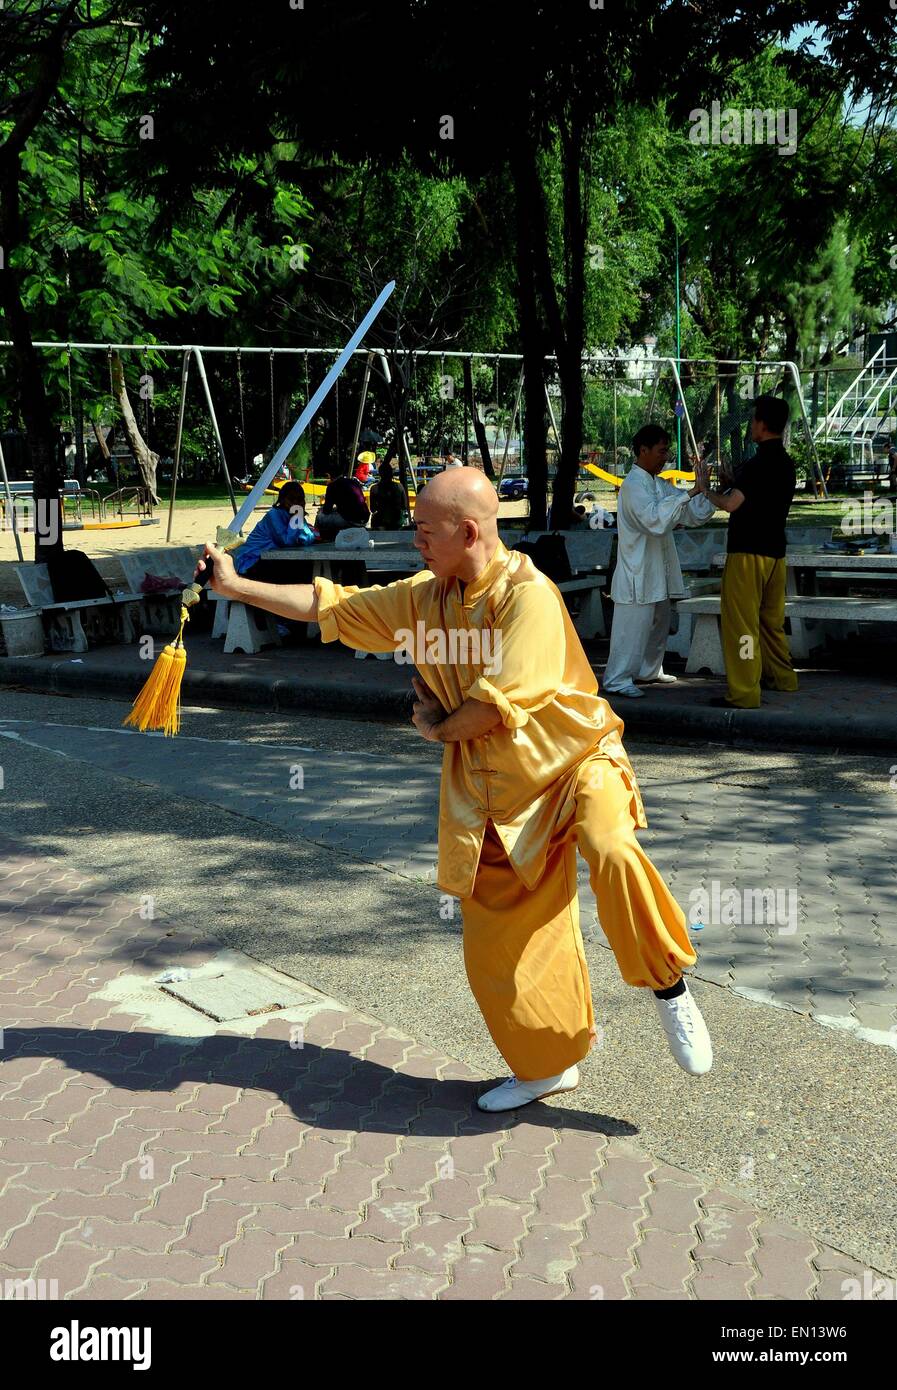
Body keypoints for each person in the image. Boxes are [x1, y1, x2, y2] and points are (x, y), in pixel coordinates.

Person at [200, 469, 713, 1113]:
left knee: (611, 849)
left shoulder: (529, 596)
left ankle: (668, 988)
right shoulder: (427, 596)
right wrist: (236, 585)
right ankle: (547, 1063)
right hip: (495, 788)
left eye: (423, 530)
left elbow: (493, 706)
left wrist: (437, 727)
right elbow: (332, 606)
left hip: (575, 763)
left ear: (468, 532)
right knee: (498, 942)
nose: (414, 540)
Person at [698, 395, 798, 709]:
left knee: (742, 625)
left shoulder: (756, 465)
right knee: (771, 622)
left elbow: (731, 504)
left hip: (746, 554)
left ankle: (743, 691)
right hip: (775, 555)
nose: (751, 425)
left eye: (754, 420)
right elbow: (758, 496)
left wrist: (705, 488)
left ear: (763, 425)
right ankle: (782, 678)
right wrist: (733, 480)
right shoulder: (785, 463)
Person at [602, 425, 715, 698]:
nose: (665, 457)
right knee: (632, 629)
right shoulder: (632, 486)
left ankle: (649, 670)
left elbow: (690, 515)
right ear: (644, 450)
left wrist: (705, 491)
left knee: (658, 622)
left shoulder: (659, 484)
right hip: (637, 570)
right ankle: (617, 679)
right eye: (661, 451)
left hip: (656, 570)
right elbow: (655, 520)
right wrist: (689, 493)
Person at [232, 480, 316, 578]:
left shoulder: (297, 516)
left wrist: (299, 518)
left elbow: (308, 538)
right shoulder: (274, 515)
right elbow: (286, 541)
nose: (296, 502)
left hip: (272, 558)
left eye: (300, 499)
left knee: (307, 568)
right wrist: (296, 518)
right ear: (283, 500)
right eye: (292, 499)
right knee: (297, 572)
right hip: (252, 560)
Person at [316, 466, 370, 540]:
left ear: (329, 475)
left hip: (351, 520)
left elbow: (327, 510)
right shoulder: (353, 482)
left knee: (319, 517)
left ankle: (318, 537)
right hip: (364, 518)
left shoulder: (332, 486)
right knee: (335, 511)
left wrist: (321, 510)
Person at [369, 459, 409, 529]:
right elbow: (404, 506)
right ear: (391, 473)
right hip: (397, 520)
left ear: (380, 473)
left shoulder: (374, 488)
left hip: (381, 520)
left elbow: (373, 509)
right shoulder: (399, 486)